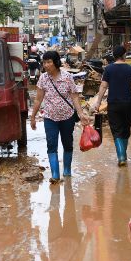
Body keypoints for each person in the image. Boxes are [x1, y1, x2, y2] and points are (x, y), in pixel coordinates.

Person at [30, 51, 91, 182]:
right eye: (44, 62)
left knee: (67, 144)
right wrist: (33, 117)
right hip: (50, 117)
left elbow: (75, 96)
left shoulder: (67, 77)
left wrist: (80, 114)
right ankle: (55, 175)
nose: (46, 65)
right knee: (51, 145)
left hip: (67, 117)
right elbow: (38, 99)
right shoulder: (43, 78)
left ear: (56, 62)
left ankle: (67, 171)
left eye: (49, 62)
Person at [91, 45, 131, 166]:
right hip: (127, 104)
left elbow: (103, 86)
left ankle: (121, 156)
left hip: (113, 104)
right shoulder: (130, 69)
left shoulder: (108, 69)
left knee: (116, 131)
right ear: (124, 55)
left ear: (114, 56)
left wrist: (98, 102)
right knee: (125, 130)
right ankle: (123, 154)